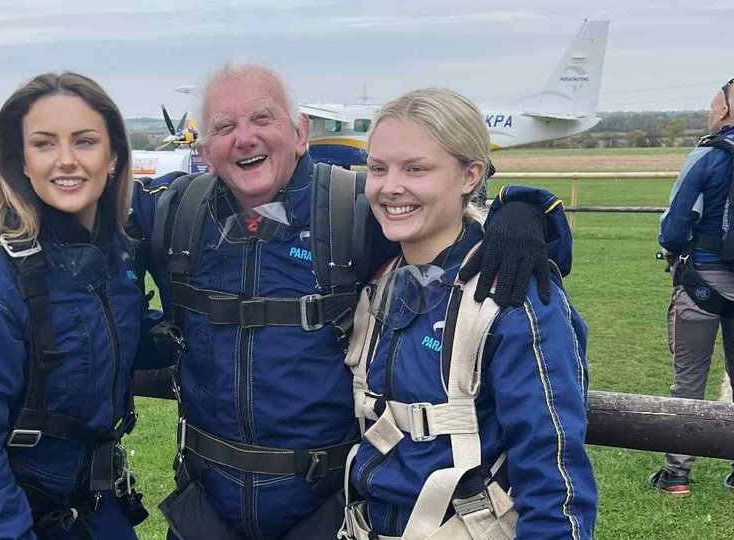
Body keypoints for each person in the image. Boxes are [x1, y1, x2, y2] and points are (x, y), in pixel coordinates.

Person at [131, 63, 565, 540]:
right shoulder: (176, 213)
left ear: (300, 133)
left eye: (262, 118)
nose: (245, 138)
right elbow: (88, 201)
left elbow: (449, 223)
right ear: (204, 148)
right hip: (204, 513)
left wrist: (524, 213)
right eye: (224, 126)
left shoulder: (354, 211)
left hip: (328, 516)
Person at [0, 72, 163, 540]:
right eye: (44, 144)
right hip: (9, 509)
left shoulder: (113, 255)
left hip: (90, 500)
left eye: (84, 141)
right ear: (22, 161)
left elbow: (112, 336)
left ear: (113, 157)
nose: (66, 159)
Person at [338, 88, 596, 540]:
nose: (390, 186)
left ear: (470, 175)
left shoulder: (512, 296)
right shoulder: (378, 278)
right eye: (378, 168)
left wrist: (525, 207)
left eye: (416, 169)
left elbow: (552, 471)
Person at [651, 79, 734, 496]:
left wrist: (672, 250)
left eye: (712, 105)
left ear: (724, 110)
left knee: (689, 381)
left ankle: (677, 475)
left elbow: (674, 226)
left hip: (705, 283)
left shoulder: (707, 155)